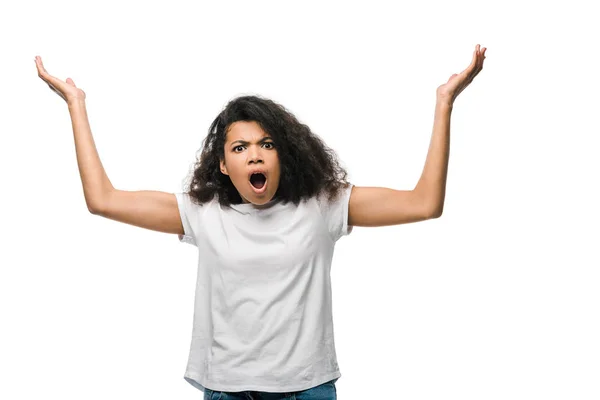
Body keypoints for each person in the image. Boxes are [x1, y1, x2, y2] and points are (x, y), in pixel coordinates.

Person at [35, 44, 486, 400]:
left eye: (266, 144)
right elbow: (103, 199)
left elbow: (425, 203)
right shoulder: (202, 213)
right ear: (224, 166)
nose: (254, 153)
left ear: (282, 156)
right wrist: (76, 105)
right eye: (239, 147)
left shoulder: (323, 205)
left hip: (308, 389)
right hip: (228, 390)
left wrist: (444, 103)